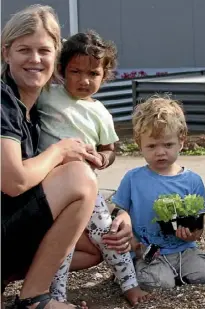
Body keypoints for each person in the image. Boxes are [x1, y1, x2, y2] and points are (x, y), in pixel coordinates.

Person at [36, 30, 149, 306]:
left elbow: (109, 149)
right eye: (76, 71)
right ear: (61, 69)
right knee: (61, 243)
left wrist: (102, 159)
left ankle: (129, 284)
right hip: (50, 187)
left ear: (105, 75)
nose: (84, 80)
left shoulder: (100, 113)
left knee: (109, 235)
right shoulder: (48, 94)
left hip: (86, 190)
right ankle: (58, 296)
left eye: (94, 74)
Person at [1, 5, 97, 309]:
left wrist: (120, 217)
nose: (35, 59)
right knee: (78, 176)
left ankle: (30, 295)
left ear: (55, 56)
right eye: (23, 50)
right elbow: (13, 181)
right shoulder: (2, 100)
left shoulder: (35, 110)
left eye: (44, 50)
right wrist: (60, 150)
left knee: (94, 247)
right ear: (6, 53)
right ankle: (34, 298)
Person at [111, 96, 205, 288]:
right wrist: (125, 224)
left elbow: (199, 227)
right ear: (139, 145)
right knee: (159, 283)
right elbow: (119, 209)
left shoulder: (193, 180)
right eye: (152, 146)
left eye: (168, 145)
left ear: (181, 141)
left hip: (184, 249)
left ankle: (174, 272)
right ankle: (142, 269)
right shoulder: (133, 178)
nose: (160, 152)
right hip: (148, 251)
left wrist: (191, 234)